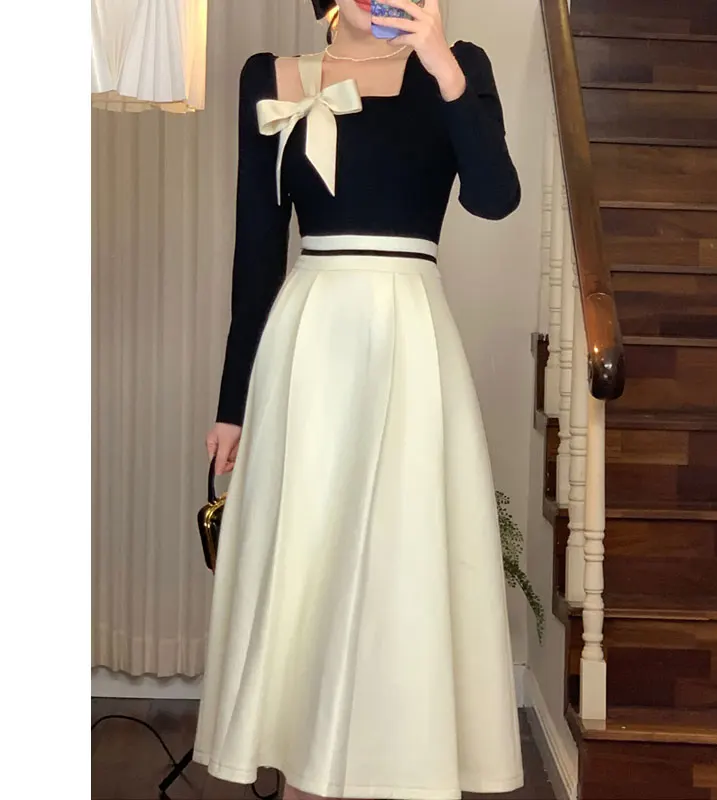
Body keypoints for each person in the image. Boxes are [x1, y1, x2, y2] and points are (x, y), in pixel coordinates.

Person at [194, 1, 524, 798]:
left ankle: (397, 761)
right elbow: (256, 249)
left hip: (409, 336)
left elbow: (495, 197)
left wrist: (442, 65)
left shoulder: (457, 66)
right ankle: (305, 766)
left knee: (400, 558)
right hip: (308, 339)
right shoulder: (269, 78)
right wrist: (233, 402)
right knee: (307, 559)